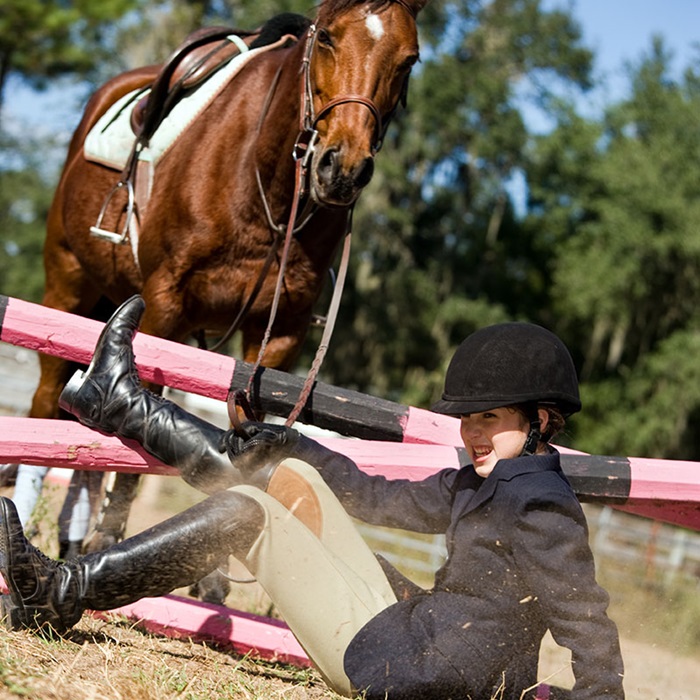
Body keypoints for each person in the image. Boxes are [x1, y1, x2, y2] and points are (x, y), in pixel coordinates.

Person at [0, 296, 625, 699]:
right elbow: (375, 496)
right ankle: (121, 405)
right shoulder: (486, 480)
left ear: (542, 418)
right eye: (468, 420)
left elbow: (586, 620)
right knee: (290, 480)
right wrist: (294, 444)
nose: (474, 434)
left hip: (408, 672)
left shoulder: (540, 505)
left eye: (489, 417)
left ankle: (59, 591)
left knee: (248, 515)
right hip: (411, 629)